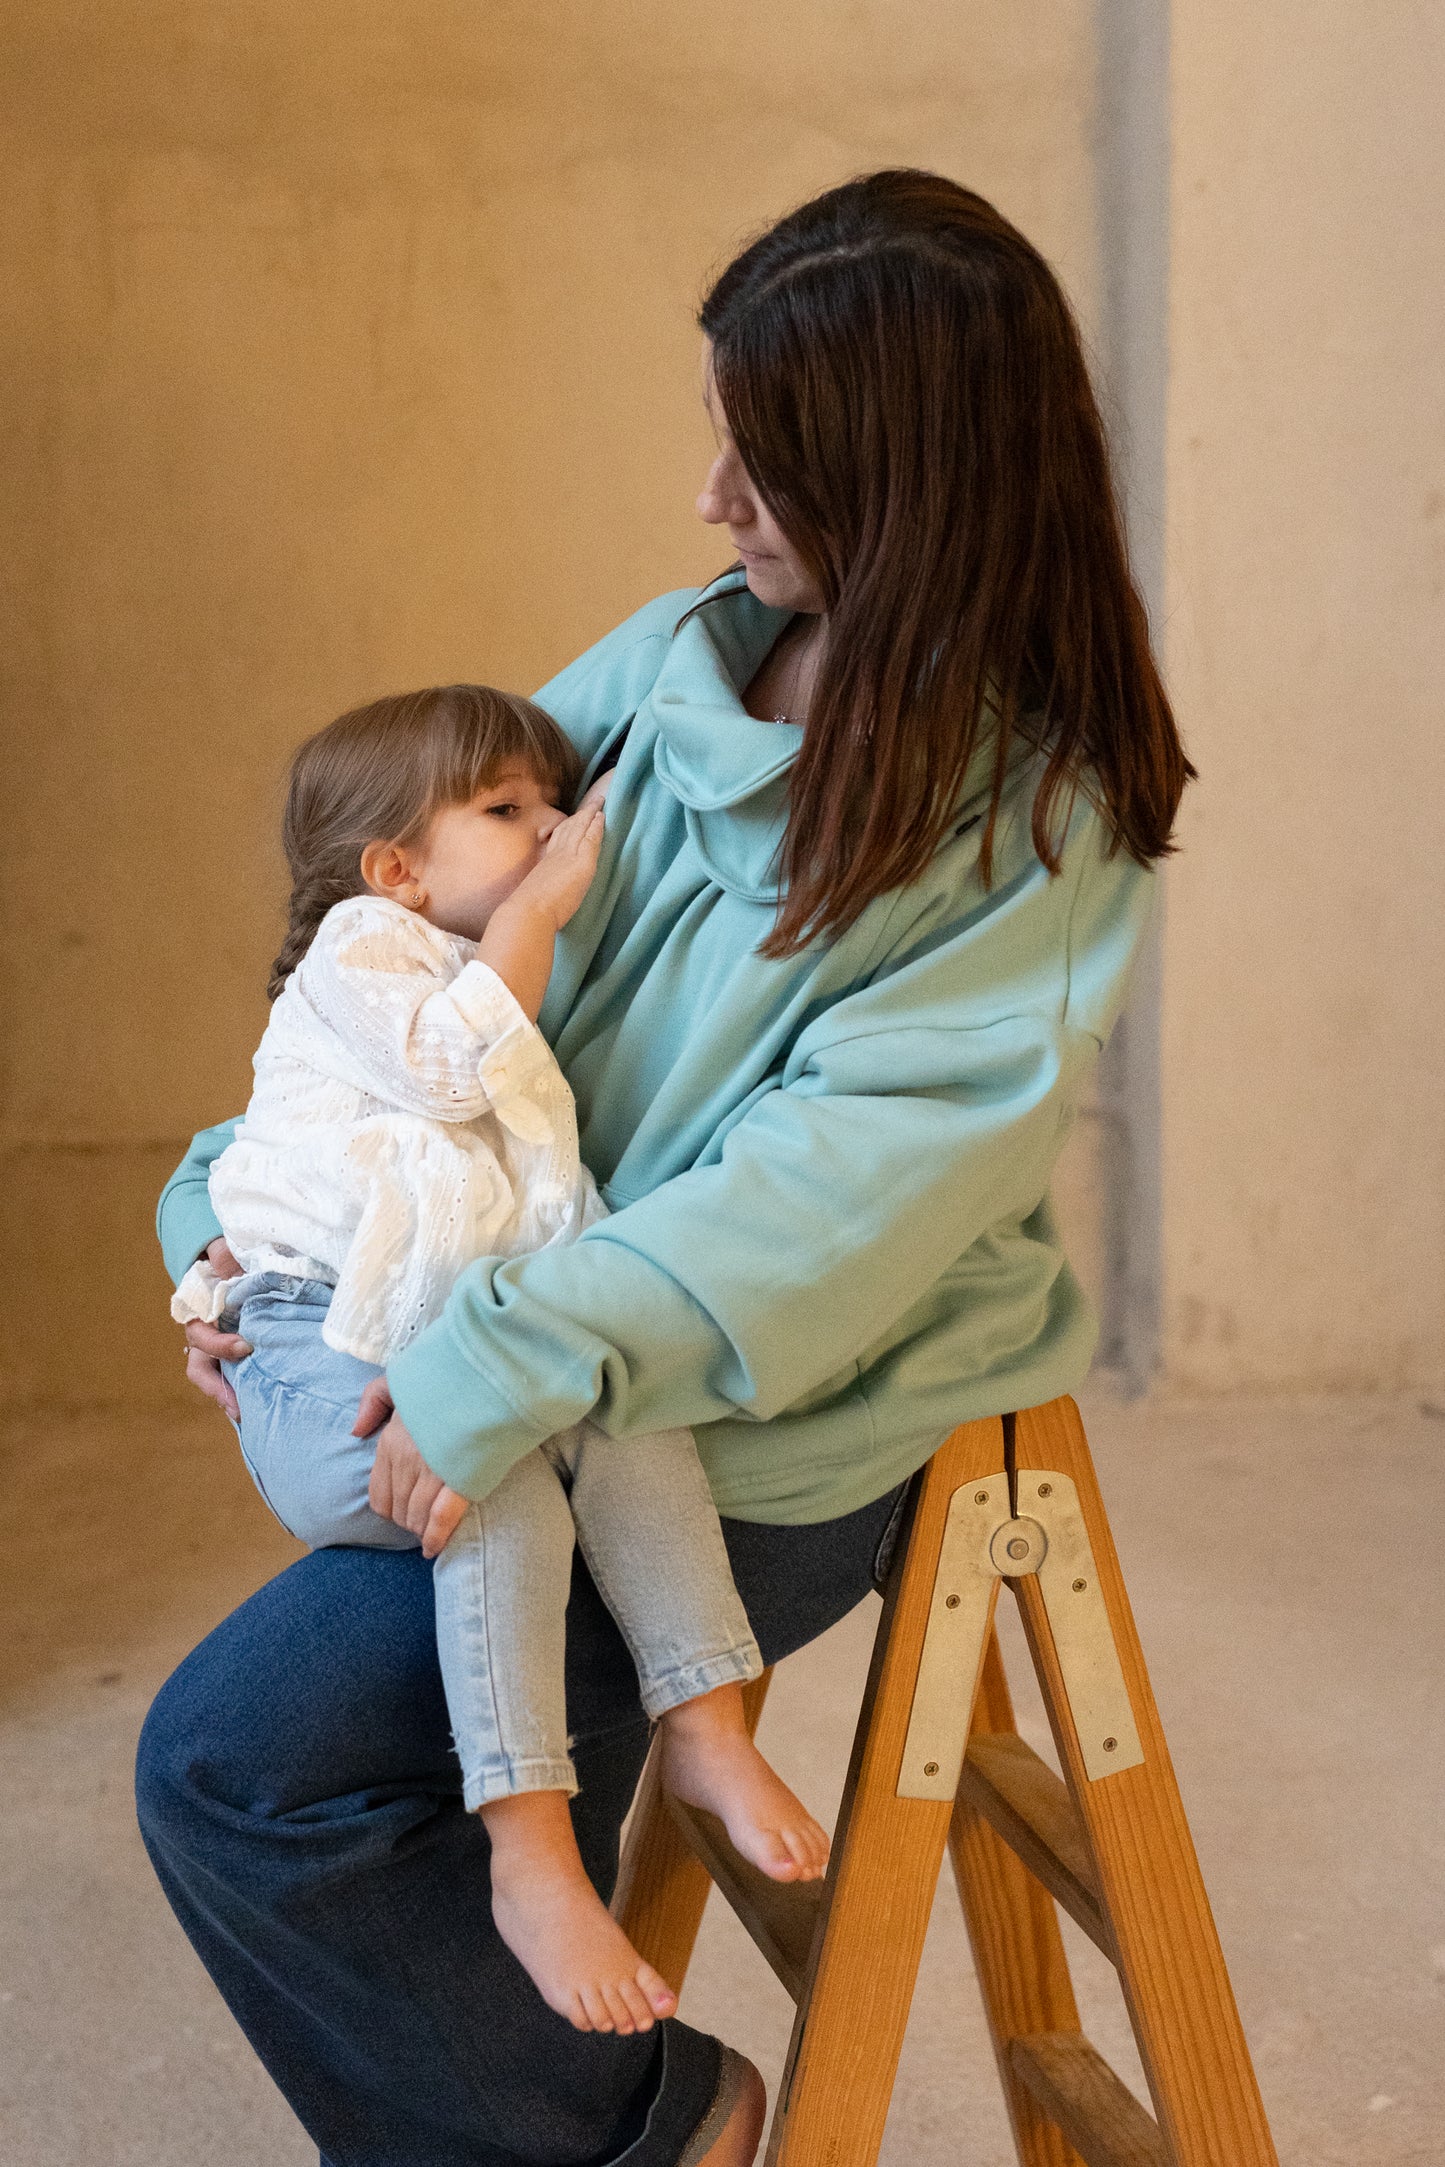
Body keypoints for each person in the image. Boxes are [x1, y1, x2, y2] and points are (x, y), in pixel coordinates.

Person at [140, 169, 1193, 2167]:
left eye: (764, 459)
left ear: (908, 491)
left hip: (734, 1429)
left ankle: (641, 2131)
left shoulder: (1036, 843)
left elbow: (813, 1219)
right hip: (508, 1341)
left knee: (240, 1767)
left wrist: (486, 1361)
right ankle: (620, 2109)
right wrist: (238, 1219)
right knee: (356, 1758)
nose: (714, 496)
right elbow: (414, 960)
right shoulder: (666, 663)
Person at [168, 681, 828, 2040]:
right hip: (315, 1351)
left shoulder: (469, 963)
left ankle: (704, 1726)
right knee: (500, 1481)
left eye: (552, 801)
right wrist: (534, 917)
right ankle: (526, 1844)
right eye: (506, 811)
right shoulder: (364, 950)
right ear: (394, 869)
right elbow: (448, 1076)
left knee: (623, 1413)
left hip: (431, 1338)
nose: (551, 832)